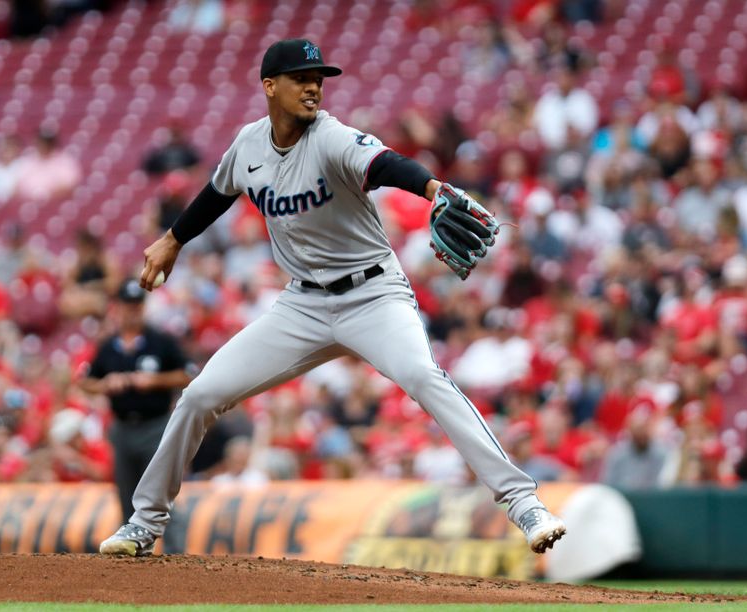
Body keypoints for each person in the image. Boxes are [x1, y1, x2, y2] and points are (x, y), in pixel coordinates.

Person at [99, 39, 565, 557]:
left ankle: (525, 505)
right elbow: (217, 191)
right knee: (201, 395)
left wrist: (433, 189)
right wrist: (172, 240)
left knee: (423, 378)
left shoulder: (332, 136)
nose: (314, 86)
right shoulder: (249, 144)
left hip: (373, 296)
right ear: (269, 87)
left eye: (318, 77)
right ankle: (144, 522)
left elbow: (388, 164)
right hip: (301, 306)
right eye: (301, 77)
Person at [80, 278, 194, 523]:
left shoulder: (161, 341)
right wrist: (105, 384)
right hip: (122, 429)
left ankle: (175, 554)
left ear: (143, 308)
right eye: (127, 305)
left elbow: (188, 374)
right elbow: (86, 380)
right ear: (117, 308)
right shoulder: (109, 346)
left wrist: (154, 380)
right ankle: (129, 557)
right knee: (126, 494)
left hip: (155, 426)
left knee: (160, 493)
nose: (132, 311)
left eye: (136, 306)